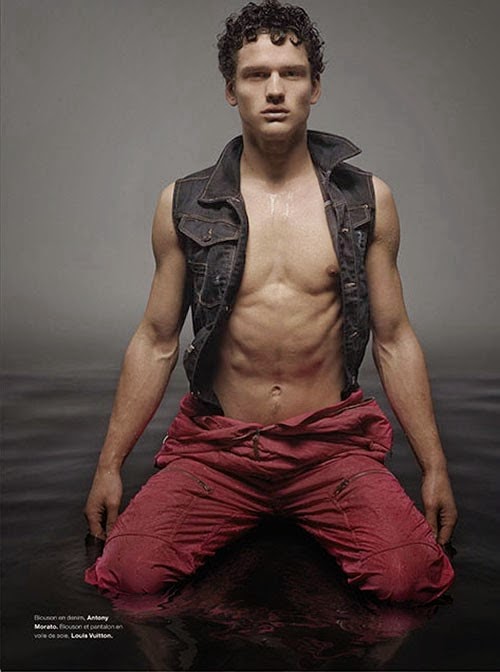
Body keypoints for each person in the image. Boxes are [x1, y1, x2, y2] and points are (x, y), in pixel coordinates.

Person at [84, 0, 457, 604]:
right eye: (257, 75)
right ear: (231, 90)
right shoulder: (183, 203)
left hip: (328, 447)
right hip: (219, 449)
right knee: (128, 578)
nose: (275, 90)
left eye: (292, 74)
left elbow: (394, 339)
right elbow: (155, 340)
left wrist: (435, 468)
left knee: (409, 581)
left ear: (316, 87)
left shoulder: (368, 200)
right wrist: (108, 466)